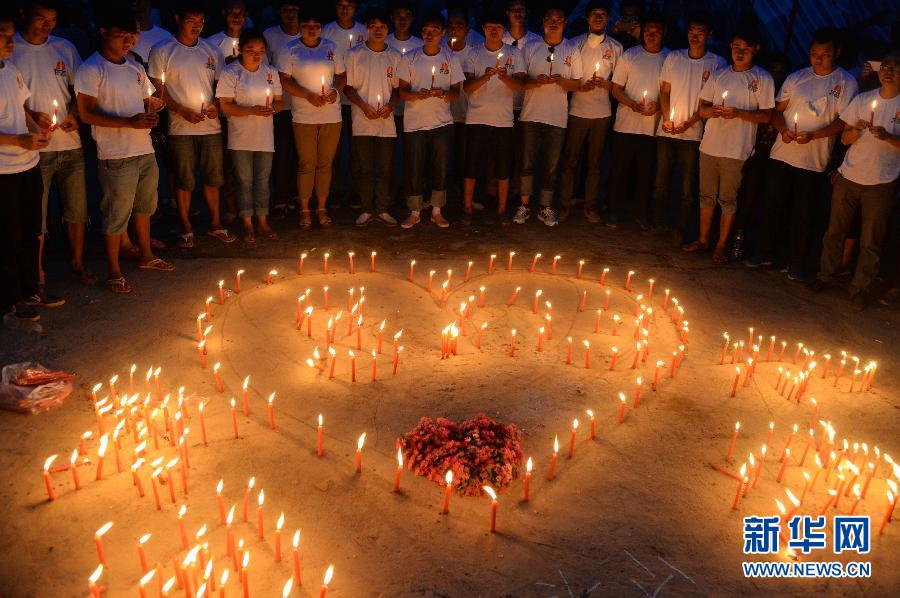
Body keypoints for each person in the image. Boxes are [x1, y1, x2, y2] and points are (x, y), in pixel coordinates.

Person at [75, 6, 173, 294]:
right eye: (121, 36)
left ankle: (146, 254)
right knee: (116, 212)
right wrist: (128, 121)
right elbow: (86, 113)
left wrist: (153, 107)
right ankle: (114, 270)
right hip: (115, 153)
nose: (128, 42)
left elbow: (146, 99)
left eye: (131, 37)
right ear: (103, 33)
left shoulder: (134, 66)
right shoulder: (91, 69)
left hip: (143, 148)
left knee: (145, 206)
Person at [748, 29, 858, 279]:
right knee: (773, 205)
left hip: (813, 160)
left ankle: (796, 261)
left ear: (837, 53)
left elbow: (844, 122)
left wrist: (815, 136)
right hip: (782, 153)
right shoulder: (797, 78)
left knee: (803, 213)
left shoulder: (845, 82)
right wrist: (783, 128)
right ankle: (764, 252)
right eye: (814, 54)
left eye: (825, 54)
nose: (818, 59)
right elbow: (776, 111)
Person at [14, 0, 94, 302]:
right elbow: (11, 96)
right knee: (39, 215)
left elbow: (76, 91)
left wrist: (73, 114)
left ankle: (77, 262)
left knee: (77, 209)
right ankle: (38, 274)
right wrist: (32, 115)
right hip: (35, 149)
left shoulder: (65, 48)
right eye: (41, 18)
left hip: (69, 144)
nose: (47, 25)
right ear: (24, 14)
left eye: (53, 19)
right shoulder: (13, 51)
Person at [809, 53, 900, 311]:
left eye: (894, 67)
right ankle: (825, 275)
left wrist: (888, 137)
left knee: (871, 240)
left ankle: (859, 288)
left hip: (881, 183)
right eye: (885, 67)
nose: (888, 71)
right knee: (835, 231)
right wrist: (856, 130)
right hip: (850, 177)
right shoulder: (862, 100)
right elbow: (846, 140)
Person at [683, 28, 774, 264]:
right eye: (736, 47)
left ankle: (721, 245)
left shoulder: (762, 79)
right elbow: (702, 108)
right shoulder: (719, 75)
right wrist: (710, 111)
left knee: (728, 199)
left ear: (755, 49)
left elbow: (766, 116)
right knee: (706, 196)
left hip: (736, 150)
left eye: (745, 48)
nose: (739, 52)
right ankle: (703, 239)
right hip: (710, 146)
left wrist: (740, 113)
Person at [148, 1, 233, 249]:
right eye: (191, 21)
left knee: (213, 176)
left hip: (210, 127)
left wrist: (215, 106)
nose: (196, 26)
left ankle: (216, 223)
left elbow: (221, 87)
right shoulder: (163, 49)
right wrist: (180, 110)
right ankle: (185, 224)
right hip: (180, 127)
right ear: (177, 19)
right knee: (184, 178)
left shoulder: (211, 50)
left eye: (201, 22)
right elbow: (155, 89)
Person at [0, 9, 52, 329]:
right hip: (3, 171)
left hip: (27, 164)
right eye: (2, 36)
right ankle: (7, 304)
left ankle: (30, 291)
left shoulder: (11, 68)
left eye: (10, 34)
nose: (10, 41)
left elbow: (22, 108)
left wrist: (36, 127)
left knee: (32, 232)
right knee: (8, 237)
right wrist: (18, 139)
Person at [654, 12, 725, 245]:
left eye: (700, 32)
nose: (695, 36)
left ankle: (680, 228)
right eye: (691, 31)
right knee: (662, 181)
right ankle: (659, 223)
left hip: (694, 135)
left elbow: (710, 102)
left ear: (709, 35)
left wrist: (690, 123)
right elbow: (665, 92)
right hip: (668, 130)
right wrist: (667, 119)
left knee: (686, 186)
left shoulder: (717, 63)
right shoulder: (674, 58)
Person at [278, 7, 345, 230]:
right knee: (307, 164)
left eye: (316, 26)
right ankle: (305, 209)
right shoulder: (290, 49)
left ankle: (322, 207)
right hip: (304, 116)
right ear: (301, 27)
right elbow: (284, 80)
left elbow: (342, 76)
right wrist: (307, 95)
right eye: (307, 26)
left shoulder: (331, 48)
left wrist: (335, 90)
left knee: (325, 163)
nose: (312, 29)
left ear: (321, 28)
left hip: (331, 114)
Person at [514, 6, 582, 227]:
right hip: (531, 114)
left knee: (551, 166)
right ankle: (524, 205)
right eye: (550, 19)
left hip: (557, 117)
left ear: (565, 22)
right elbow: (519, 81)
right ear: (543, 21)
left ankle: (545, 207)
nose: (554, 23)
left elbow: (578, 83)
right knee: (526, 162)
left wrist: (563, 81)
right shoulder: (531, 47)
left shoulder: (572, 49)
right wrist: (536, 82)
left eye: (559, 19)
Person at [215, 28, 283, 242]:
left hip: (264, 136)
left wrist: (273, 109)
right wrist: (251, 111)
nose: (257, 55)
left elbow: (280, 101)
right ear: (241, 50)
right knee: (244, 180)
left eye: (261, 51)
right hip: (241, 137)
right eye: (251, 50)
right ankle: (247, 222)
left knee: (262, 180)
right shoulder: (231, 72)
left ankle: (262, 221)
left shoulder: (270, 72)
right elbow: (225, 106)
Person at [558, 1, 622, 224]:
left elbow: (620, 81)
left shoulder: (615, 48)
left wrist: (609, 85)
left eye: (602, 14)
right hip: (577, 110)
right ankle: (564, 203)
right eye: (594, 14)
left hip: (602, 113)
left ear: (607, 19)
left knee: (595, 163)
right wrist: (579, 87)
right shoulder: (574, 44)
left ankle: (591, 205)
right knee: (569, 160)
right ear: (587, 18)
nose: (598, 18)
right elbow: (566, 76)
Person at [397, 12, 462, 228]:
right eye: (425, 30)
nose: (429, 34)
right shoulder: (410, 58)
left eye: (434, 30)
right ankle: (415, 211)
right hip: (415, 123)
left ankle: (436, 210)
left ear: (443, 33)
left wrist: (442, 94)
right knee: (414, 167)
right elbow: (402, 92)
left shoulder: (450, 58)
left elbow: (456, 92)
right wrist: (417, 95)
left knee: (440, 167)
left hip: (441, 123)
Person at [461, 9, 524, 225]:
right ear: (484, 29)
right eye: (490, 27)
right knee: (471, 164)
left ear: (503, 30)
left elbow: (519, 86)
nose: (494, 31)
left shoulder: (514, 54)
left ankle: (502, 209)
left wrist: (505, 77)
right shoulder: (473, 53)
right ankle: (467, 208)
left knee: (503, 166)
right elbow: (467, 87)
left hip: (503, 120)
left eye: (498, 27)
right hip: (476, 118)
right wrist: (485, 77)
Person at [608, 13, 668, 228]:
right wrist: (631, 104)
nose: (651, 35)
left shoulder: (670, 59)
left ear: (664, 33)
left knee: (646, 174)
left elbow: (671, 94)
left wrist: (658, 107)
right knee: (619, 171)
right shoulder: (630, 55)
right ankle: (613, 211)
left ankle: (642, 213)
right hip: (626, 125)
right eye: (648, 31)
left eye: (656, 31)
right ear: (642, 32)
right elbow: (616, 89)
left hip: (652, 128)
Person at [343, 7, 400, 227]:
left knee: (385, 168)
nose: (378, 30)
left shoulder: (395, 56)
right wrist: (363, 106)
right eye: (374, 26)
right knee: (365, 168)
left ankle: (383, 209)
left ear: (388, 29)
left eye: (383, 26)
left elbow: (397, 89)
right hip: (362, 118)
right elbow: (348, 88)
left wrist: (390, 106)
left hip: (386, 120)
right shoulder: (354, 54)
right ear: (366, 28)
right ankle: (367, 208)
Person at [323, 0, 366, 207]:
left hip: (357, 97)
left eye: (350, 5)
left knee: (357, 148)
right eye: (340, 4)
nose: (345, 9)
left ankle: (356, 191)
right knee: (334, 149)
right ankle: (334, 191)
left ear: (355, 8)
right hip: (334, 98)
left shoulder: (364, 31)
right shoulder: (326, 31)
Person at [263, 0, 301, 211]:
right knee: (281, 152)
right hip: (281, 105)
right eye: (286, 9)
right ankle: (279, 197)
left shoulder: (306, 34)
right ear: (279, 12)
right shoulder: (270, 35)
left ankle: (297, 195)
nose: (290, 13)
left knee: (299, 153)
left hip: (304, 105)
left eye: (294, 9)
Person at [132, 0, 174, 65]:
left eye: (144, 3)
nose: (140, 6)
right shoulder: (125, 38)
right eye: (136, 3)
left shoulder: (166, 37)